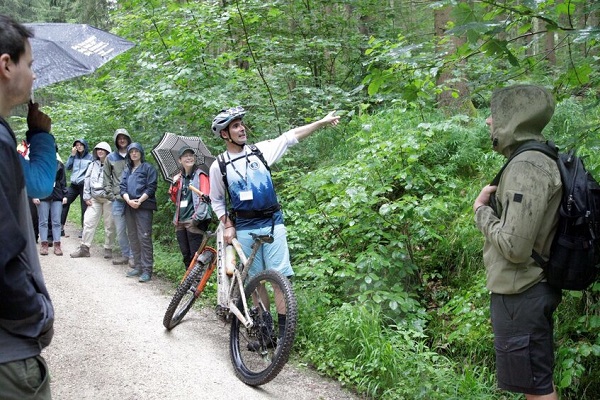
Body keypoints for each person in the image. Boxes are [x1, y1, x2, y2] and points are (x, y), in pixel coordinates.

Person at [209, 106, 339, 343]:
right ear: (224, 134)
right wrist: (227, 224)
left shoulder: (260, 151)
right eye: (235, 126)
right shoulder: (220, 165)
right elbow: (216, 200)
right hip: (245, 227)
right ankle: (264, 332)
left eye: (241, 124)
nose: (242, 128)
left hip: (272, 223)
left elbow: (291, 136)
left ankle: (284, 337)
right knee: (256, 283)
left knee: (280, 279)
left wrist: (320, 122)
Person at [473, 84, 562, 400]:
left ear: (513, 119)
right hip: (526, 291)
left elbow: (515, 246)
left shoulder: (527, 165)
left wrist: (481, 212)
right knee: (534, 384)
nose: (488, 122)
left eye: (494, 115)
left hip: (522, 292)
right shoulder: (534, 158)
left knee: (536, 389)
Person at [0, 14, 55, 399]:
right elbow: (38, 183)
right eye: (30, 64)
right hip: (8, 353)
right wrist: (36, 313)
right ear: (6, 65)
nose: (33, 76)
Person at [169, 146, 212, 270]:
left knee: (196, 256)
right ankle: (187, 282)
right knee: (186, 255)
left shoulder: (201, 175)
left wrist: (195, 219)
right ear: (180, 160)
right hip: (180, 221)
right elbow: (174, 199)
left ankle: (196, 284)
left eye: (191, 155)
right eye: (185, 156)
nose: (189, 158)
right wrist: (174, 183)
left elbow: (206, 198)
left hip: (193, 221)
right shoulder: (179, 177)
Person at [71, 141, 116, 259]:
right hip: (94, 198)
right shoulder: (92, 164)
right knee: (88, 222)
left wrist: (113, 195)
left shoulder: (113, 165)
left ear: (107, 152)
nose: (100, 151)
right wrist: (86, 196)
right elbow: (87, 180)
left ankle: (108, 248)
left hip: (108, 199)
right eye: (98, 149)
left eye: (103, 149)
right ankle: (84, 248)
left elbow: (117, 182)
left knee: (109, 224)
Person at [120, 142, 158, 283]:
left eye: (136, 151)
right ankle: (138, 266)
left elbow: (151, 187)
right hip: (129, 206)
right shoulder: (127, 170)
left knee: (144, 237)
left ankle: (147, 270)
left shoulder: (148, 168)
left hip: (144, 206)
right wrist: (129, 201)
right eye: (131, 152)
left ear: (141, 152)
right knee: (133, 236)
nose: (134, 153)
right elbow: (122, 187)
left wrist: (139, 201)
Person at [104, 128, 134, 266]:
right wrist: (110, 194)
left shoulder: (133, 155)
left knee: (132, 228)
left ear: (128, 139)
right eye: (119, 138)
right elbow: (106, 177)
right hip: (118, 198)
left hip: (133, 198)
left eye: (124, 138)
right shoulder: (110, 157)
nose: (122, 140)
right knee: (120, 229)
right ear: (116, 141)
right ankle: (125, 255)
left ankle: (134, 257)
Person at [33, 147, 68, 256]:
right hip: (42, 195)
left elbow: (63, 181)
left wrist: (65, 195)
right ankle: (44, 245)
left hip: (57, 196)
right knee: (43, 221)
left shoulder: (59, 164)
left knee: (56, 221)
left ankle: (57, 245)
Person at [61, 138, 93, 237]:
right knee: (65, 202)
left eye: (81, 145)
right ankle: (60, 227)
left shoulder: (90, 157)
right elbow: (67, 167)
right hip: (74, 185)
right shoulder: (74, 156)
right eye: (77, 145)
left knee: (84, 207)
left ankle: (84, 229)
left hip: (84, 185)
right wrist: (72, 155)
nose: (79, 146)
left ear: (85, 145)